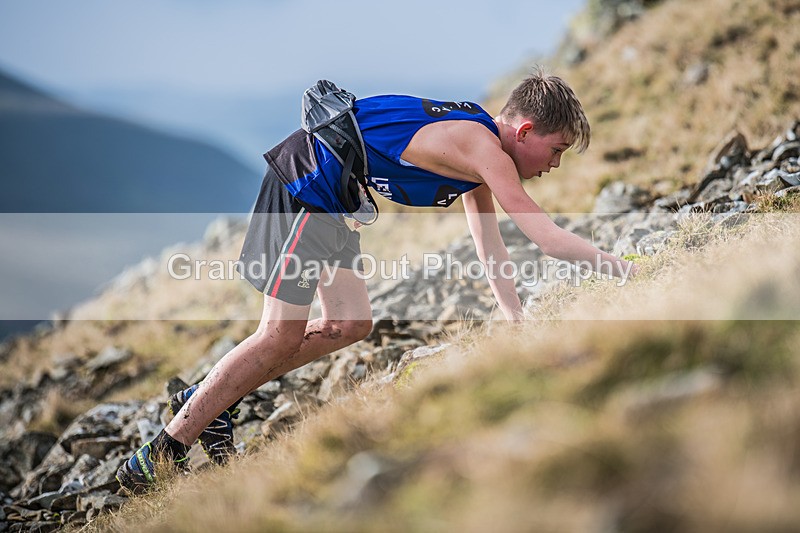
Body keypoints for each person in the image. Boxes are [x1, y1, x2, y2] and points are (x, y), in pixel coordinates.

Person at [116, 68, 637, 492]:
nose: (555, 165)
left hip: (334, 198)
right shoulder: (481, 146)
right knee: (279, 334)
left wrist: (515, 318)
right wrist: (624, 271)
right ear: (524, 132)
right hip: (304, 187)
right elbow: (542, 233)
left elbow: (490, 245)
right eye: (556, 149)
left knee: (352, 323)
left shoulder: (479, 156)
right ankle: (161, 451)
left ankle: (206, 400)